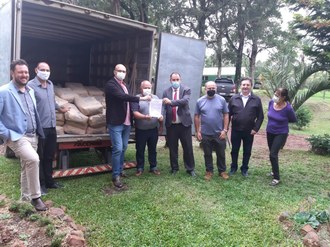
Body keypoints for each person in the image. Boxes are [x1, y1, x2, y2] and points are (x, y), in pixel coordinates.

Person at [0, 59, 47, 211]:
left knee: (26, 166)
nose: (24, 75)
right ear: (12, 73)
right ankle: (36, 197)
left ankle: (24, 201)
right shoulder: (4, 91)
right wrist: (7, 133)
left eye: (26, 72)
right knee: (33, 160)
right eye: (20, 72)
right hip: (17, 136)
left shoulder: (30, 91)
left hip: (33, 135)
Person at [105, 64, 151, 188]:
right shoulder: (111, 85)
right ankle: (115, 176)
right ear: (114, 71)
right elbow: (122, 97)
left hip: (126, 122)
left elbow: (128, 100)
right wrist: (141, 99)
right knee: (118, 148)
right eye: (119, 70)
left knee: (124, 148)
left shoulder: (125, 85)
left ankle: (120, 170)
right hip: (116, 122)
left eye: (124, 71)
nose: (122, 72)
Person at [28, 62, 69, 195]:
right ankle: (41, 184)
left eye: (47, 70)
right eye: (42, 70)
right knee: (39, 157)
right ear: (36, 70)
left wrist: (59, 108)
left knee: (49, 156)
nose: (45, 72)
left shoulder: (50, 84)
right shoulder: (30, 86)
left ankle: (50, 181)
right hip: (40, 128)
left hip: (52, 126)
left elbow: (52, 101)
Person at [228, 77, 264, 177]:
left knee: (247, 151)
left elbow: (260, 116)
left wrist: (255, 129)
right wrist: (226, 128)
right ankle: (233, 167)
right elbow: (228, 115)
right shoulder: (234, 98)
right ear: (240, 86)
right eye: (244, 85)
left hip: (249, 131)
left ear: (251, 86)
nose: (245, 87)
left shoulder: (256, 99)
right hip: (236, 130)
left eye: (247, 85)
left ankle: (244, 169)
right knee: (234, 150)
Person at [194, 81, 230, 181]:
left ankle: (222, 171)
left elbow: (226, 114)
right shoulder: (200, 101)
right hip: (205, 133)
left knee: (221, 153)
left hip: (219, 133)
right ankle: (209, 171)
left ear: (216, 89)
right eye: (209, 88)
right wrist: (198, 131)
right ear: (205, 89)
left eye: (213, 88)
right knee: (207, 153)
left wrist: (225, 130)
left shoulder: (222, 100)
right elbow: (196, 116)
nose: (211, 90)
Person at [162, 72, 195, 176]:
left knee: (188, 147)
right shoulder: (166, 92)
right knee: (172, 148)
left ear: (180, 80)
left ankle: (190, 169)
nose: (175, 81)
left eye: (177, 79)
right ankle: (174, 168)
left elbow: (184, 101)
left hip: (184, 124)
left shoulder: (186, 89)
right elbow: (164, 107)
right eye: (173, 80)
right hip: (171, 125)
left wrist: (170, 102)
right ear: (170, 80)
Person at [132, 80, 163, 176]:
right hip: (141, 130)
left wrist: (161, 122)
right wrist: (145, 117)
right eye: (145, 87)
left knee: (153, 149)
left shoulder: (156, 98)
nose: (147, 89)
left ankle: (153, 167)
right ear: (140, 88)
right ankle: (140, 168)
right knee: (140, 149)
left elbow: (159, 112)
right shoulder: (137, 98)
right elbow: (135, 113)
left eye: (149, 87)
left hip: (153, 129)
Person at [266, 88, 297, 186]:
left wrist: (282, 122)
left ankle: (276, 178)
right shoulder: (271, 103)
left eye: (277, 95)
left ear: (283, 97)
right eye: (274, 94)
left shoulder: (288, 108)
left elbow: (293, 119)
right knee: (272, 153)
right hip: (270, 131)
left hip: (281, 133)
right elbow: (270, 114)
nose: (275, 97)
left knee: (273, 154)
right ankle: (273, 171)